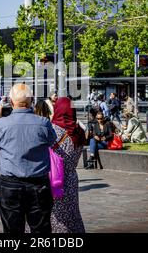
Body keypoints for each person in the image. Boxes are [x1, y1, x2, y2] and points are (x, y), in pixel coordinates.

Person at [0, 83, 57, 233]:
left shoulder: (1, 124)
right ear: (31, 101)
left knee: (12, 230)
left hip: (10, 185)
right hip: (39, 184)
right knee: (41, 230)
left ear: (11, 102)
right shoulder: (44, 123)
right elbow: (53, 142)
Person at [50, 97, 86, 233]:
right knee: (71, 215)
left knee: (54, 216)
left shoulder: (52, 130)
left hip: (53, 179)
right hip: (71, 179)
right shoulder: (79, 132)